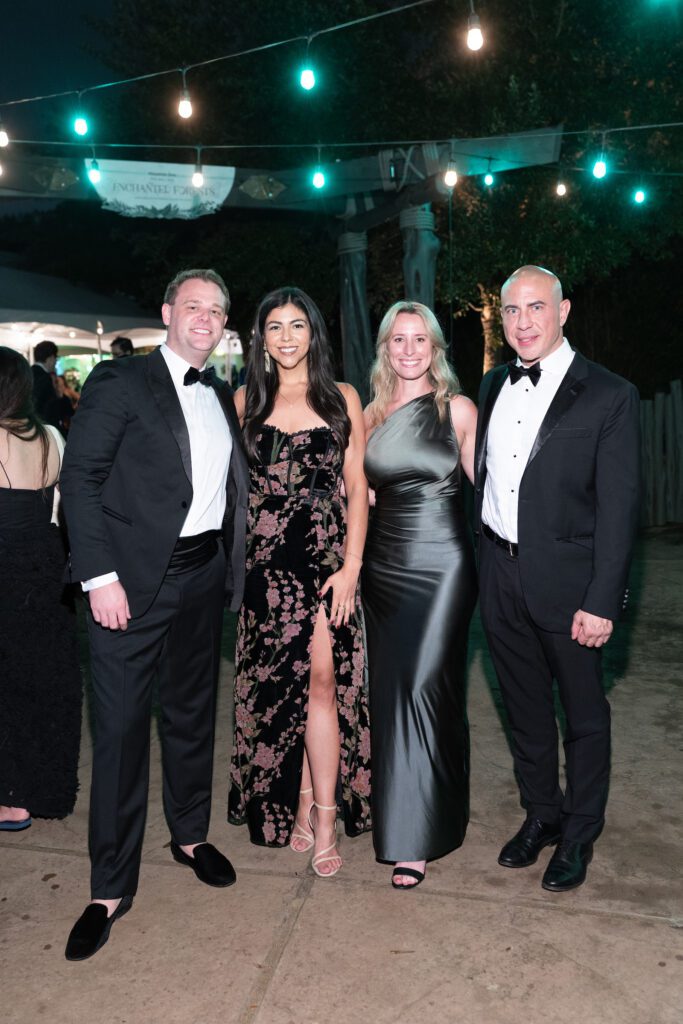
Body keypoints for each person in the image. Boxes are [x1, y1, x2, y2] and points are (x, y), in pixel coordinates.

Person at [60, 269, 249, 960]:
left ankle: (190, 834)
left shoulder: (221, 392)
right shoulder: (121, 384)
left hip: (201, 580)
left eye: (216, 311)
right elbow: (77, 481)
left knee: (192, 715)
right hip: (128, 588)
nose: (204, 318)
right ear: (168, 311)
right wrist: (99, 577)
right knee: (117, 735)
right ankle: (108, 888)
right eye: (193, 306)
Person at [474, 265, 640, 892]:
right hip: (499, 573)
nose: (523, 322)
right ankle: (541, 813)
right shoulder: (492, 385)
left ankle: (578, 832)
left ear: (563, 310)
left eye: (536, 308)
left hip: (571, 588)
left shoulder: (608, 394)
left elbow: (620, 511)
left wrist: (603, 600)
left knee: (584, 716)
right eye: (512, 310)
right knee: (523, 711)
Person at [228, 287, 371, 878]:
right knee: (279, 692)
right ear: (261, 337)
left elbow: (358, 486)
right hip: (265, 568)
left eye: (297, 326)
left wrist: (351, 567)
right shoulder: (243, 400)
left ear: (314, 333)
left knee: (320, 684)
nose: (286, 338)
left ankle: (326, 816)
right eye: (275, 327)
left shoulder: (341, 398)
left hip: (326, 562)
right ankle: (301, 798)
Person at [362, 301, 478, 890]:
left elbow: (493, 494)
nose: (409, 350)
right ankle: (409, 814)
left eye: (420, 340)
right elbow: (355, 494)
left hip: (443, 566)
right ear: (385, 349)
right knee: (389, 692)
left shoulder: (457, 409)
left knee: (426, 686)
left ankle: (420, 834)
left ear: (435, 347)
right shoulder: (370, 412)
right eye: (397, 341)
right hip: (382, 569)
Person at [0, 347, 81, 831]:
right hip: (46, 562)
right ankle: (47, 789)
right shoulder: (52, 437)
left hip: (5, 563)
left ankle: (10, 798)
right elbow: (63, 508)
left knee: (7, 683)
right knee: (49, 679)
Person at [31, 340, 58, 418]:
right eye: (56, 357)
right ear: (51, 357)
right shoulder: (45, 377)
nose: (56, 361)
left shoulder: (29, 372)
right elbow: (47, 408)